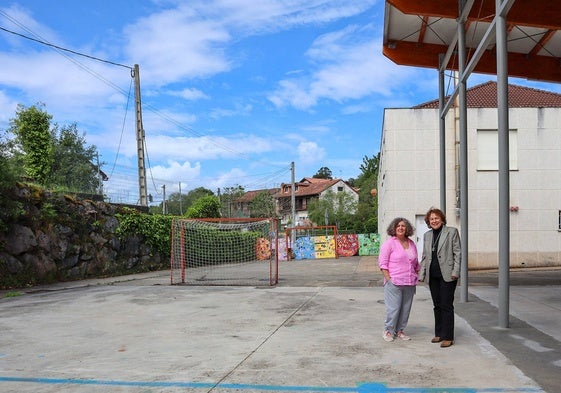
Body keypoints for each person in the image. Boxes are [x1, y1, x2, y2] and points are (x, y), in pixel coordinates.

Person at [418, 207, 461, 348]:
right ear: (428, 222)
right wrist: (422, 273)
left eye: (436, 218)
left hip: (448, 275)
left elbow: (458, 253)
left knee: (446, 305)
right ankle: (439, 333)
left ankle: (448, 336)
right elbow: (425, 256)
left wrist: (456, 271)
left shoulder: (451, 232)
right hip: (433, 276)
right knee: (437, 305)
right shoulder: (427, 235)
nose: (434, 221)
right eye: (431, 219)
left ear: (442, 219)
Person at [378, 217, 420, 342]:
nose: (401, 228)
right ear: (394, 229)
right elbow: (383, 264)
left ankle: (400, 330)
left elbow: (416, 263)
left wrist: (417, 274)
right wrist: (389, 280)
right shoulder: (389, 243)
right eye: (398, 226)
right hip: (394, 282)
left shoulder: (411, 243)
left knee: (405, 309)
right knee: (394, 308)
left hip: (409, 282)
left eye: (403, 226)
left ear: (407, 228)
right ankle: (388, 331)